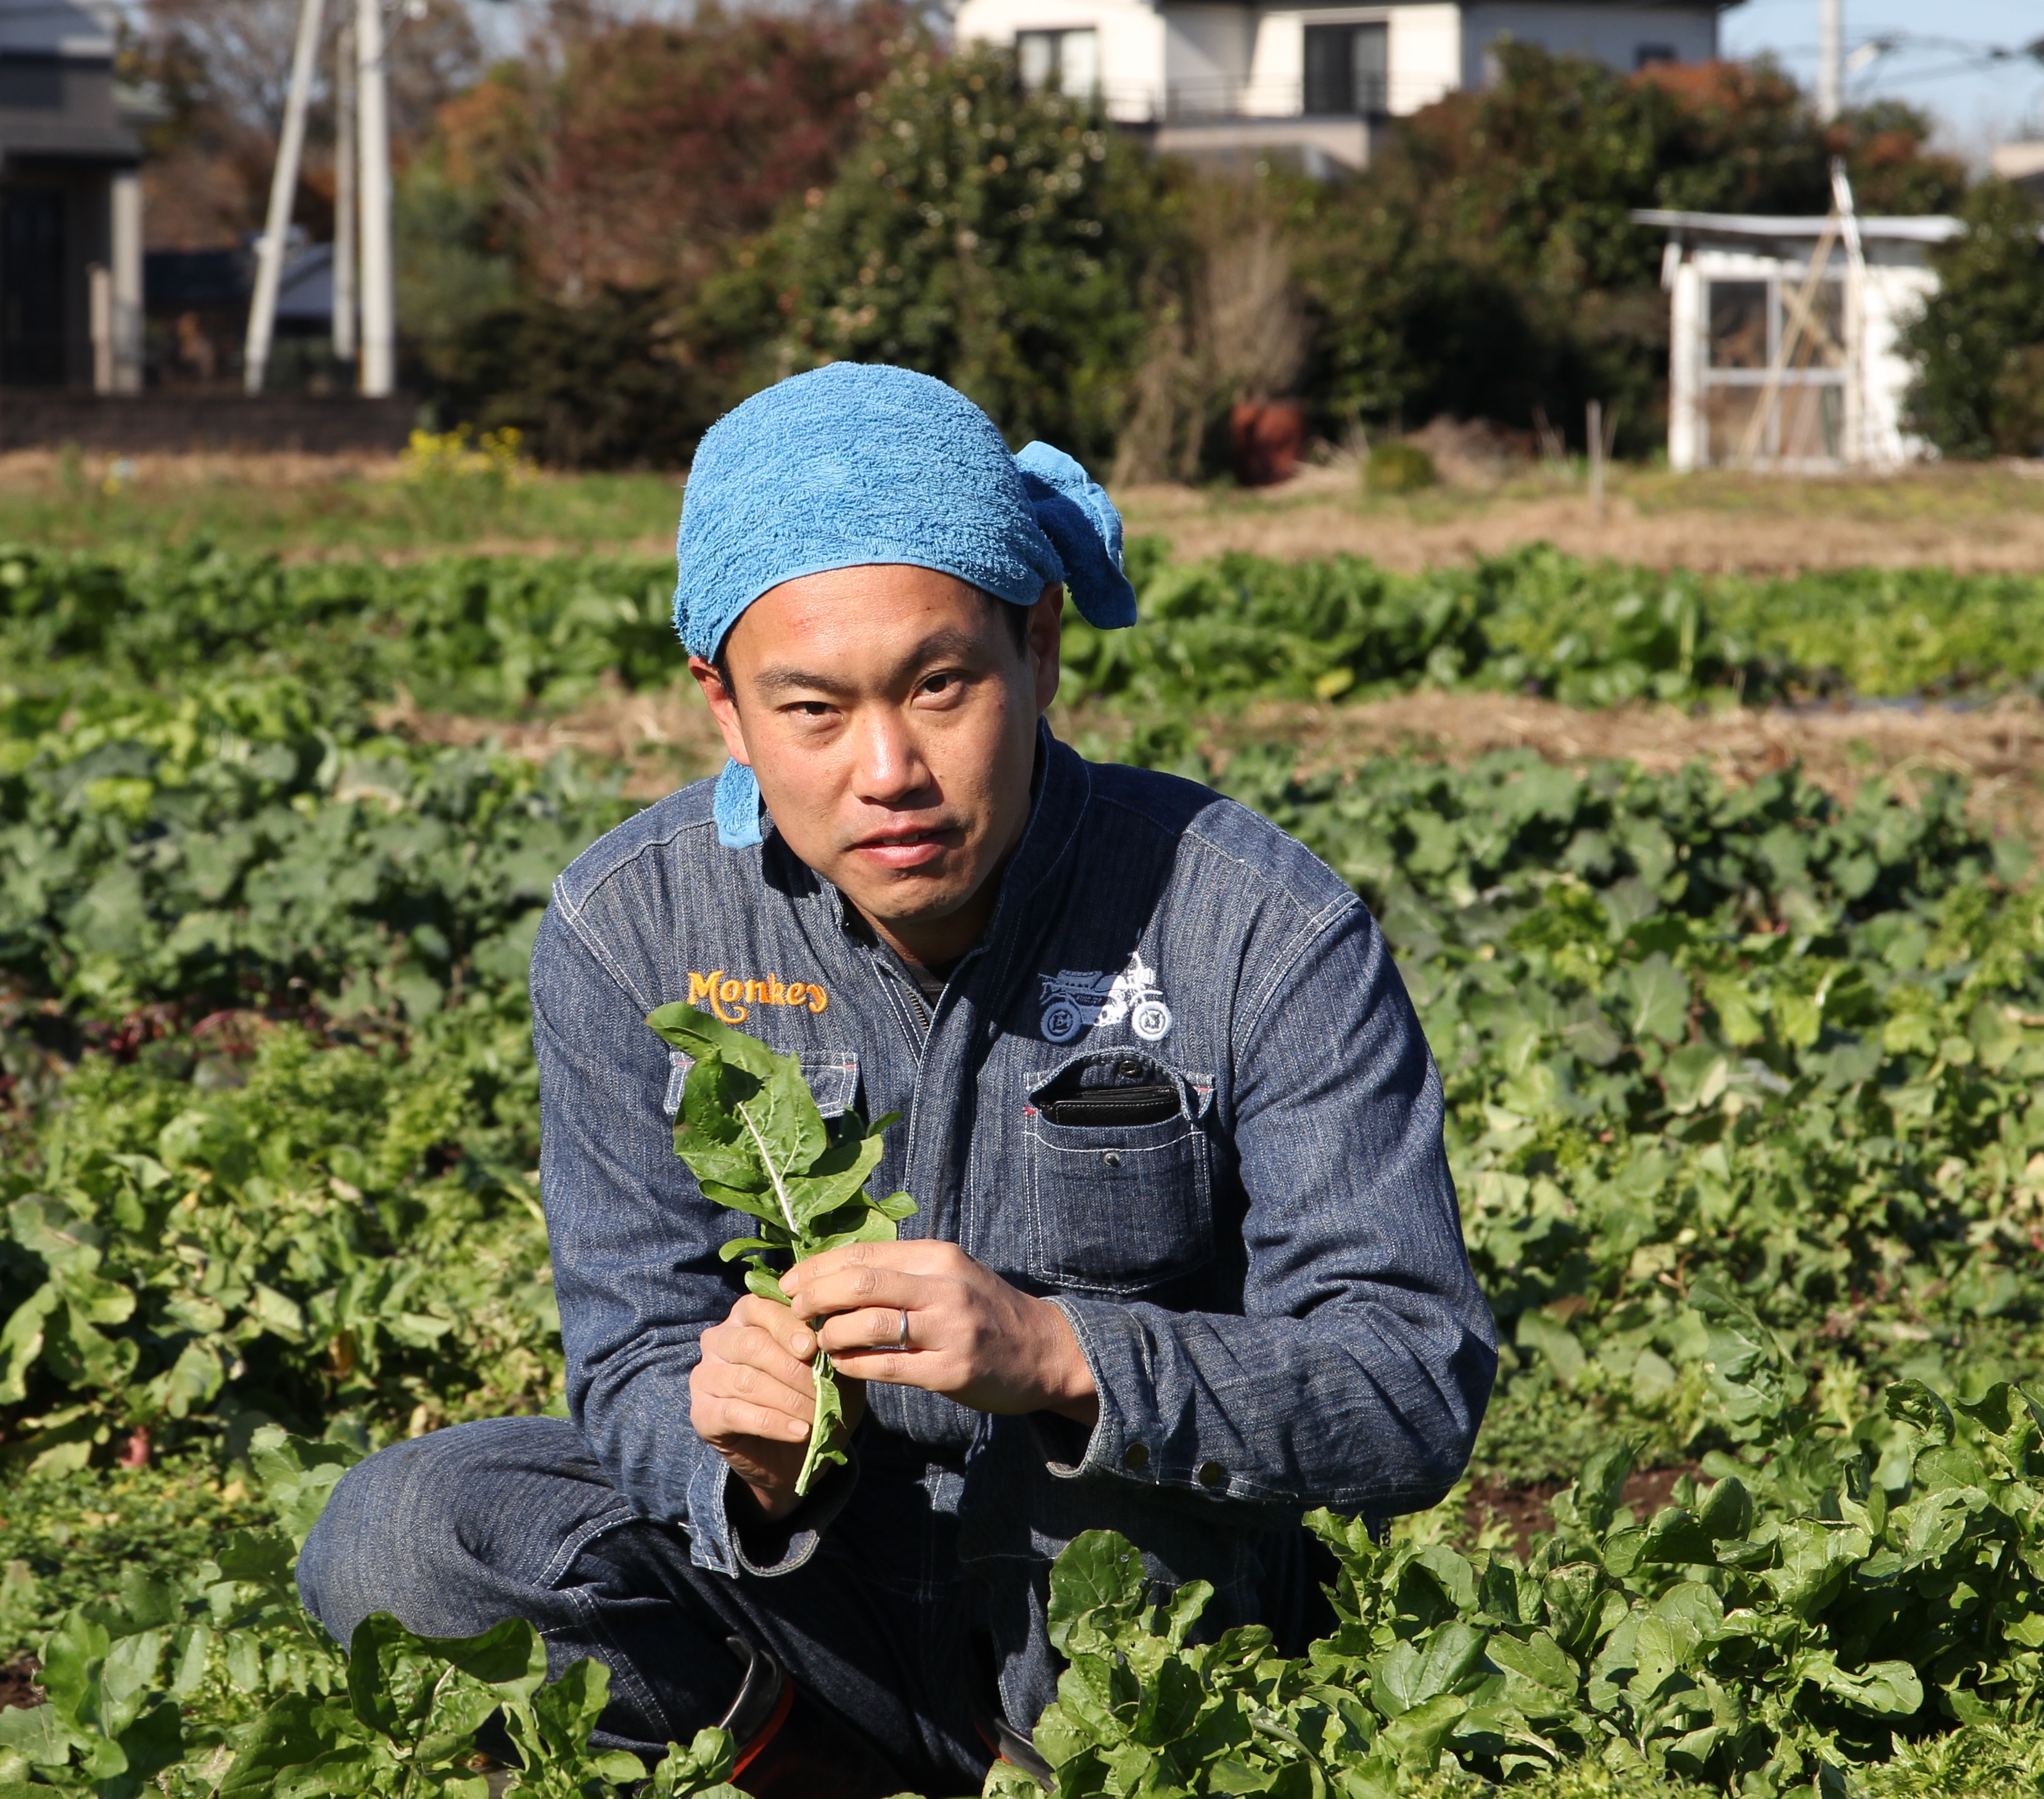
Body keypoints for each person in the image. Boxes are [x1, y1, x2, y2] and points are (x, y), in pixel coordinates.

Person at [299, 362, 1494, 1795]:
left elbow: (1413, 1383)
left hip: (1130, 1605)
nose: (889, 771)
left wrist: (1062, 1358)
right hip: (815, 1607)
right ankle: (802, 1771)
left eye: (942, 686)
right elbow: (628, 1356)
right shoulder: (633, 930)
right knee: (403, 1534)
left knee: (1126, 1533)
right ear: (724, 710)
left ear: (1037, 647)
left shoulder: (1256, 927)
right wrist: (735, 1453)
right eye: (811, 710)